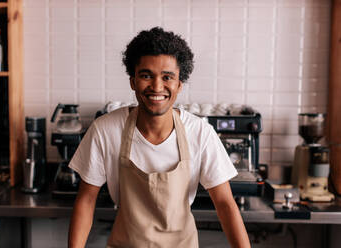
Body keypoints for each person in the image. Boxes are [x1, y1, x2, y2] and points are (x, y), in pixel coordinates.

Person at [68, 27, 250, 248]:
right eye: (146, 75)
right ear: (133, 81)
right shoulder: (105, 130)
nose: (156, 86)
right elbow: (86, 200)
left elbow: (224, 204)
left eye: (167, 77)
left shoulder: (200, 133)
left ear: (179, 84)